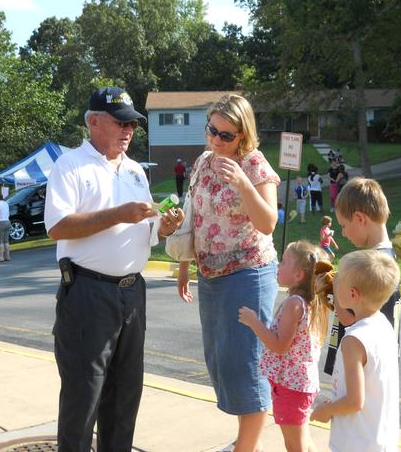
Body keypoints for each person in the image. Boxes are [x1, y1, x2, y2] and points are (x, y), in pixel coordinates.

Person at [44, 86, 184, 452]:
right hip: (88, 293)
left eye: (133, 124)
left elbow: (145, 230)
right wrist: (119, 215)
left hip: (132, 293)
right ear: (93, 122)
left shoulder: (136, 170)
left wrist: (162, 227)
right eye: (120, 122)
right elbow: (58, 226)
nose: (129, 131)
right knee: (84, 396)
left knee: (125, 396)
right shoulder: (70, 165)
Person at [176, 94, 280, 452]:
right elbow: (195, 217)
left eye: (226, 135)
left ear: (243, 135)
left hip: (248, 274)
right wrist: (184, 266)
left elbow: (267, 222)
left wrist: (243, 183)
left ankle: (246, 448)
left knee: (246, 366)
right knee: (224, 364)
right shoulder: (203, 162)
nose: (216, 140)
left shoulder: (254, 164)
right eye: (212, 131)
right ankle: (246, 442)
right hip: (211, 277)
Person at [238, 241, 331, 452]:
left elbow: (280, 346)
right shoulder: (309, 302)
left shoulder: (294, 304)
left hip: (291, 387)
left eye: (284, 262)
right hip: (299, 384)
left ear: (299, 275)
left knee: (294, 445)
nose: (279, 266)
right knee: (302, 440)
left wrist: (254, 322)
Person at [311, 249, 401, 452]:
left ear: (352, 294)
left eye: (338, 281)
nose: (334, 282)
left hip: (356, 444)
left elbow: (354, 401)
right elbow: (348, 319)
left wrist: (326, 410)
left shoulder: (353, 341)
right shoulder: (381, 324)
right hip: (378, 440)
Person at [324, 177, 401, 376]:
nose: (343, 232)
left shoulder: (370, 264)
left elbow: (349, 319)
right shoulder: (386, 258)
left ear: (359, 218)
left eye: (343, 225)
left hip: (361, 367)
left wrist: (335, 283)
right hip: (375, 361)